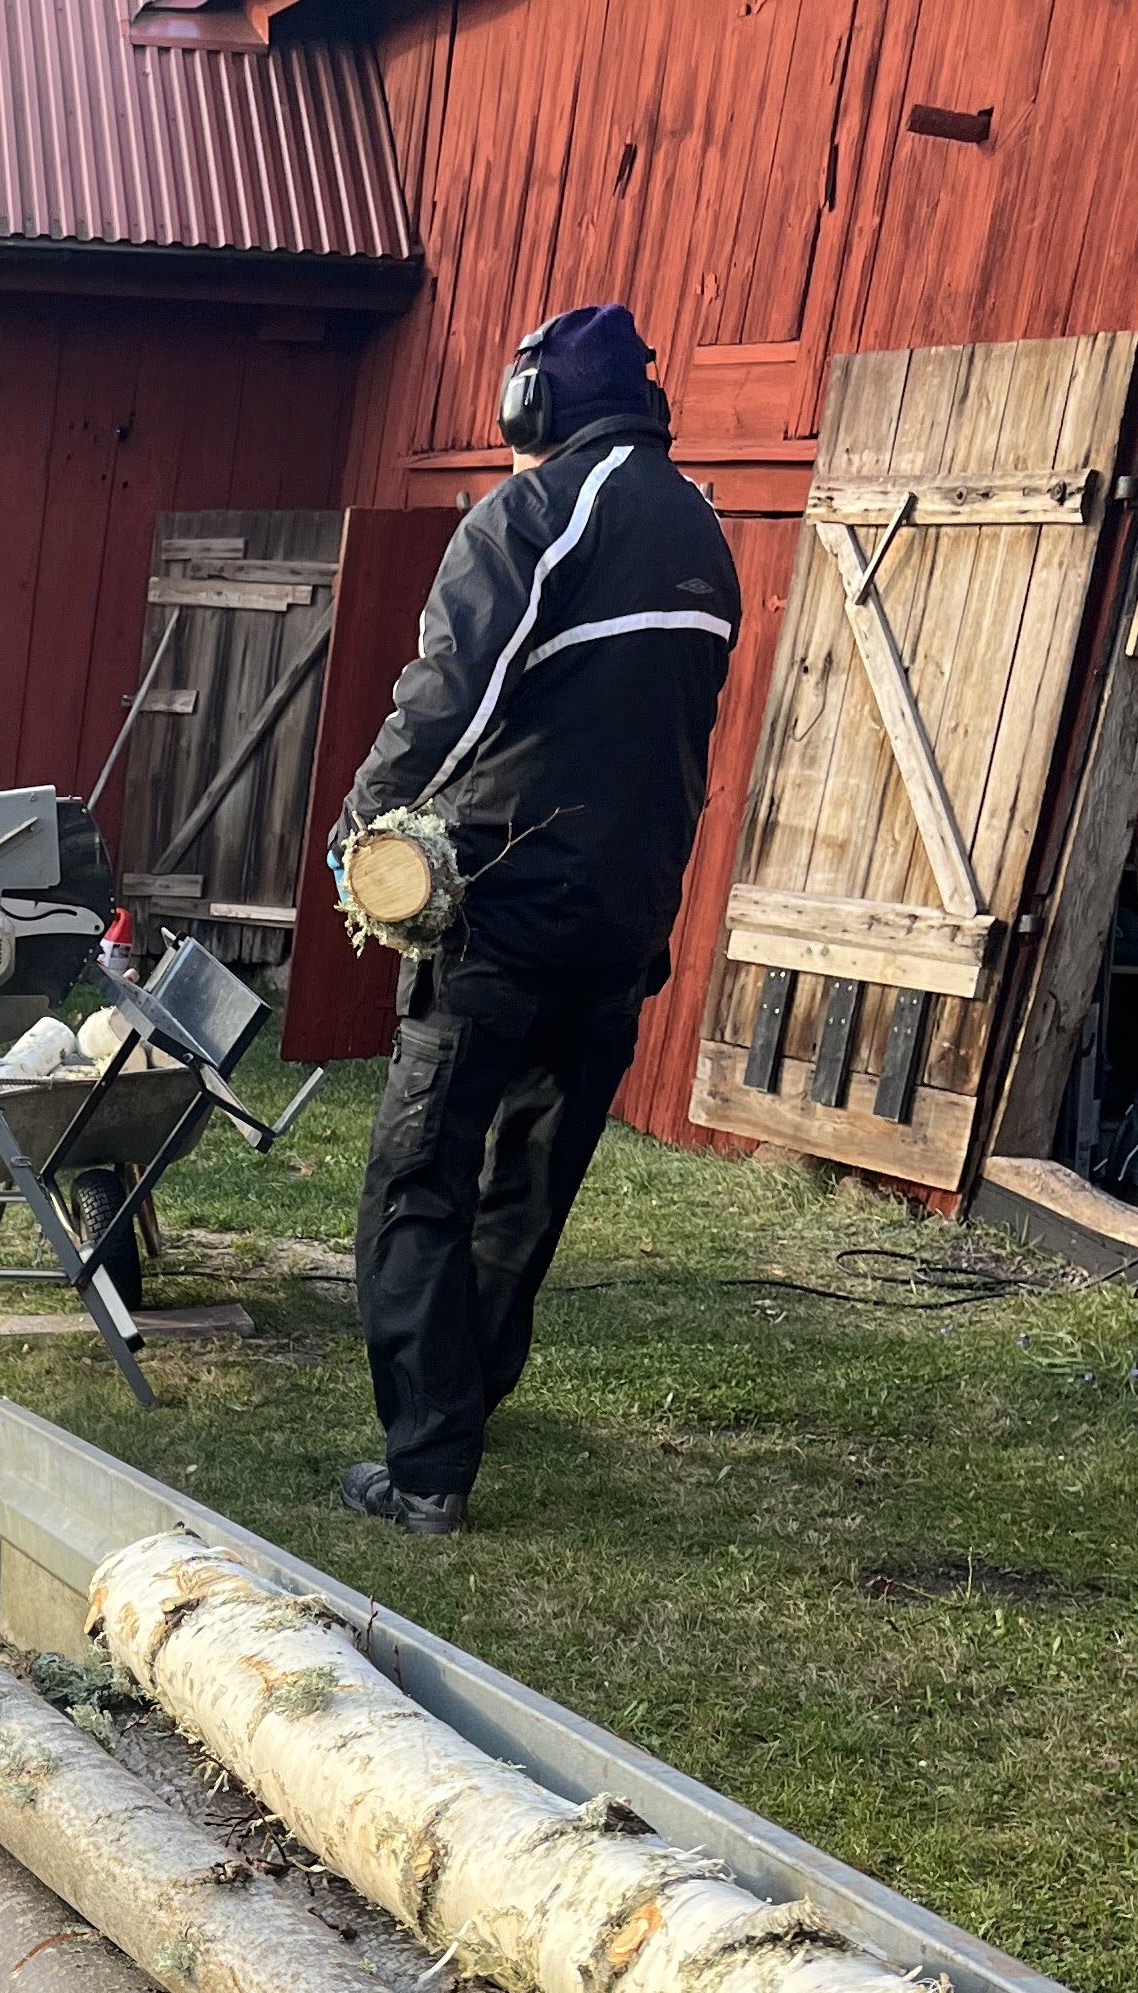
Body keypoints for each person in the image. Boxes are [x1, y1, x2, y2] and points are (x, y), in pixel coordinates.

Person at [328, 304, 740, 1534]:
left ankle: (425, 1465)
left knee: (419, 1174)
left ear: (532, 405)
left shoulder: (536, 511)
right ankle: (471, 1396)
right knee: (530, 1179)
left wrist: (363, 824)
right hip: (625, 920)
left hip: (500, 908)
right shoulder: (701, 525)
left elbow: (449, 692)